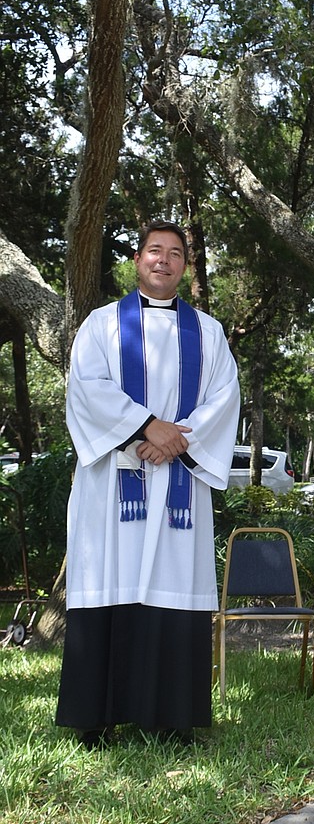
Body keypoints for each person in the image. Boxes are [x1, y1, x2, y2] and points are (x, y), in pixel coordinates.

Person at [56, 221, 241, 745]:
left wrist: (173, 441)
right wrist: (145, 427)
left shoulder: (208, 333)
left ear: (184, 265)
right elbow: (86, 389)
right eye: (154, 251)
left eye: (175, 253)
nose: (164, 259)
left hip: (178, 484)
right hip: (112, 485)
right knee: (109, 586)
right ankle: (95, 722)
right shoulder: (101, 325)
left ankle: (173, 721)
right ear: (137, 260)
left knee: (172, 590)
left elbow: (224, 397)